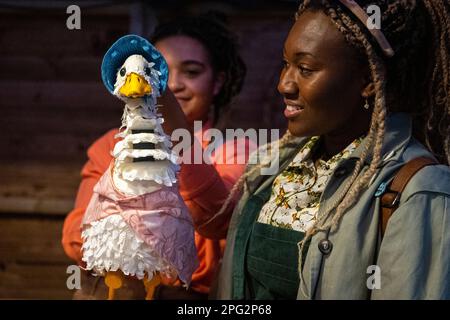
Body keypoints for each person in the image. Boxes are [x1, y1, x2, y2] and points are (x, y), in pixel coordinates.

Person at [213, 0, 450, 299]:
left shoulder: (418, 190)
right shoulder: (271, 166)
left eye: (306, 68)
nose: (284, 84)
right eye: (286, 64)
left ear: (367, 81)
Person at [62, 13, 255, 299]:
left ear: (217, 82)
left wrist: (177, 132)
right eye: (161, 70)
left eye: (191, 72)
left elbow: (218, 219)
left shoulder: (235, 149)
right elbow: (76, 237)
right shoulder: (110, 147)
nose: (173, 84)